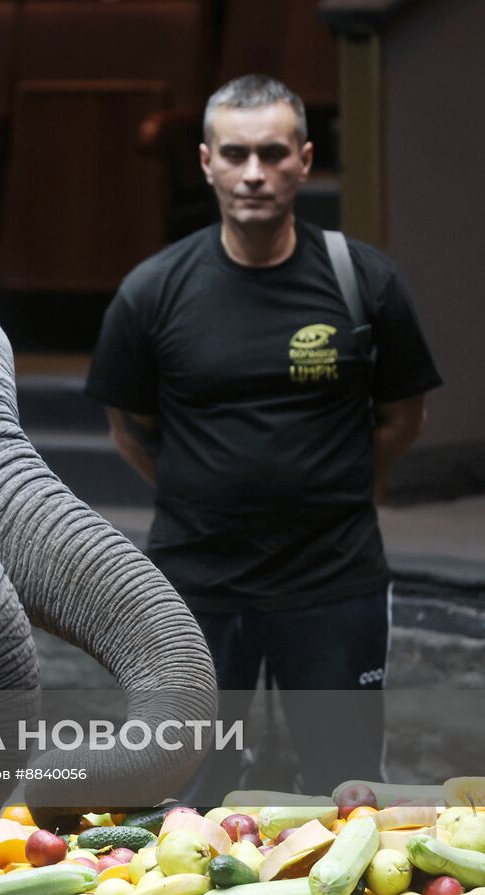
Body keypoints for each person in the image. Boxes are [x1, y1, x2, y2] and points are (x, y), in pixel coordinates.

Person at [85, 75, 442, 800]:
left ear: (305, 161)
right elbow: (129, 429)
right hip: (196, 587)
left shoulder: (362, 281)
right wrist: (203, 497)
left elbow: (404, 418)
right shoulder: (153, 292)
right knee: (188, 796)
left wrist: (336, 491)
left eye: (273, 153)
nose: (254, 173)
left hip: (333, 585)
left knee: (348, 801)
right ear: (206, 162)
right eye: (236, 154)